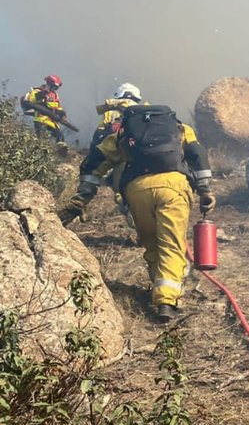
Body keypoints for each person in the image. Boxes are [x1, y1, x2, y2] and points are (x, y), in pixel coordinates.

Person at [62, 103, 216, 323]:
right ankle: (167, 301)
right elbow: (197, 154)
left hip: (137, 190)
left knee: (152, 242)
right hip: (173, 186)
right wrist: (205, 190)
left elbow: (96, 161)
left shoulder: (123, 134)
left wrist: (83, 196)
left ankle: (159, 287)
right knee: (171, 244)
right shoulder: (179, 128)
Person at [92, 83, 143, 226]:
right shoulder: (144, 110)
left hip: (120, 156)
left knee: (119, 189)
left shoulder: (110, 113)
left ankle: (128, 210)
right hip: (143, 156)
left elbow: (99, 136)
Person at [21, 74, 79, 144]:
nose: (54, 89)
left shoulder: (55, 95)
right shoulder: (38, 91)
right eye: (54, 86)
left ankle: (61, 151)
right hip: (41, 119)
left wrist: (62, 114)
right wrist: (42, 94)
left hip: (52, 121)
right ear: (49, 83)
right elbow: (32, 100)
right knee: (41, 139)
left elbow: (57, 106)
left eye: (56, 88)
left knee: (60, 136)